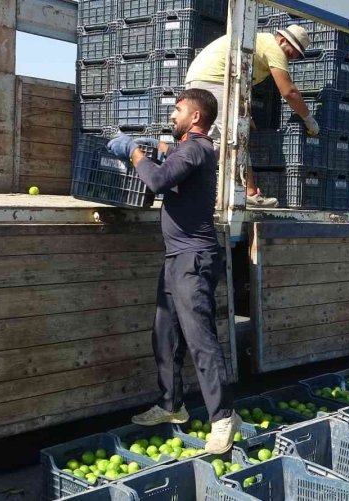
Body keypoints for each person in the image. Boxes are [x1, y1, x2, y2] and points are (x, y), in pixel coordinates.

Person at [106, 88, 238, 454]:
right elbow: (171, 159)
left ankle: (223, 417)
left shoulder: (198, 148)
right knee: (164, 334)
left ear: (196, 117)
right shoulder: (187, 149)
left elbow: (160, 181)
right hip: (176, 259)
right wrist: (155, 148)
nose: (173, 115)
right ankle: (171, 405)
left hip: (194, 260)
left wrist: (134, 153)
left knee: (200, 339)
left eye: (178, 110)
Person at [184, 24, 320, 207]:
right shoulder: (273, 47)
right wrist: (309, 119)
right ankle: (247, 192)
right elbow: (289, 92)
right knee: (235, 139)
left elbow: (242, 77)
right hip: (214, 80)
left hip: (202, 78)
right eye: (292, 52)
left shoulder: (258, 43)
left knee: (215, 141)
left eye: (297, 55)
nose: (292, 58)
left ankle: (185, 179)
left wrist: (245, 112)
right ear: (282, 40)